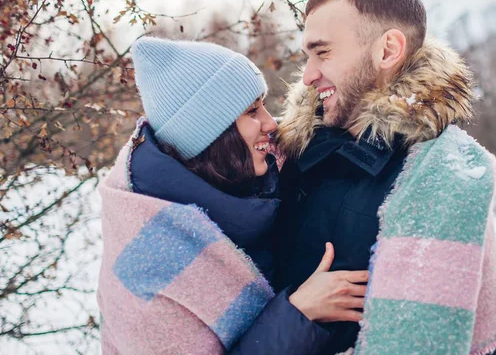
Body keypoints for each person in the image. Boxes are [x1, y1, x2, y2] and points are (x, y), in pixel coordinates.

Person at [274, 0, 496, 355]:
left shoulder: (442, 178)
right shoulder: (288, 154)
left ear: (387, 50)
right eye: (307, 56)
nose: (308, 75)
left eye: (323, 52)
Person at [96, 37, 369, 354]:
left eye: (263, 105)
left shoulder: (247, 175)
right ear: (211, 134)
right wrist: (298, 313)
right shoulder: (150, 269)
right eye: (253, 111)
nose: (270, 122)